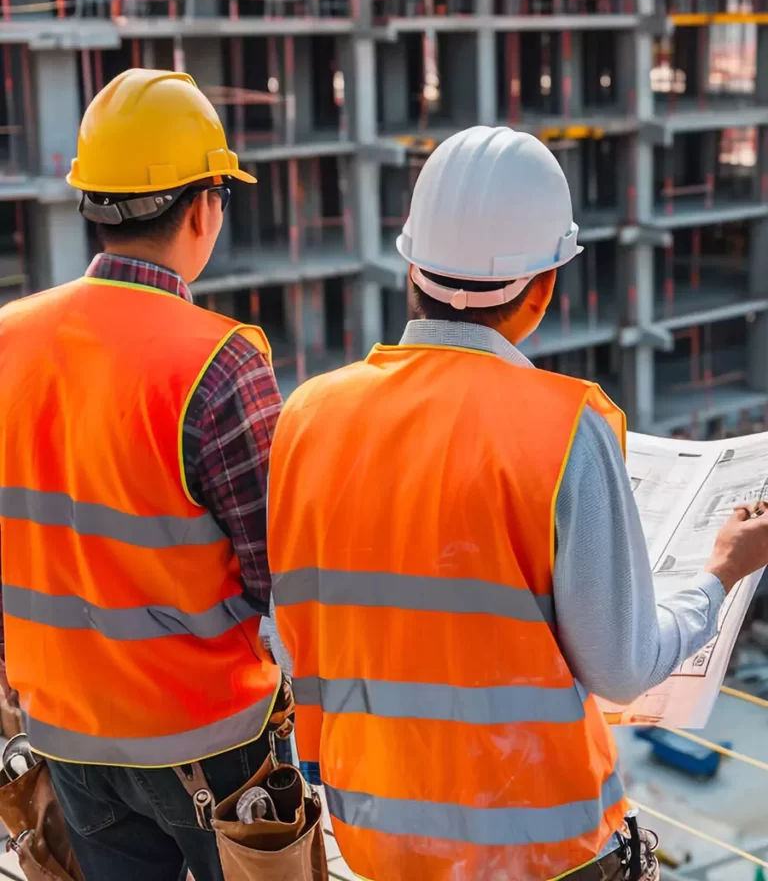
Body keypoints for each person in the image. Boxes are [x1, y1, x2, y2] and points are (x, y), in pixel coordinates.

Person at [267, 125, 768, 881]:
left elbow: (294, 637)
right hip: (541, 854)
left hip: (376, 846)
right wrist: (719, 575)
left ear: (412, 268)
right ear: (543, 290)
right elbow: (623, 669)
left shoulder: (306, 416)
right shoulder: (567, 426)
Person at [0, 69, 287, 881]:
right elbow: (285, 579)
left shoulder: (6, 341)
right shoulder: (220, 362)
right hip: (213, 748)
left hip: (66, 739)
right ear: (202, 207)